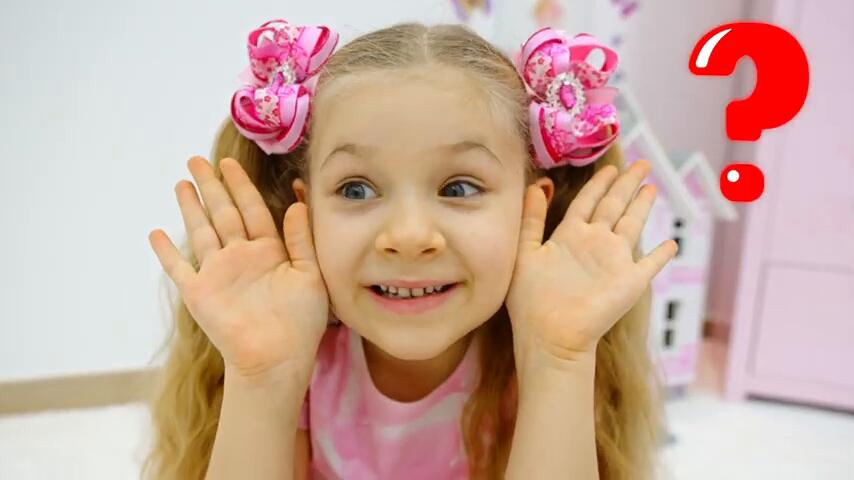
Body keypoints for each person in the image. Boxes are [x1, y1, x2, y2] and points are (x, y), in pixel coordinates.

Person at [144, 18, 678, 480]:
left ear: (528, 209)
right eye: (357, 190)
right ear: (304, 214)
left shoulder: (534, 358)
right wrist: (260, 378)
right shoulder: (300, 357)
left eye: (459, 188)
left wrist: (560, 360)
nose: (408, 236)